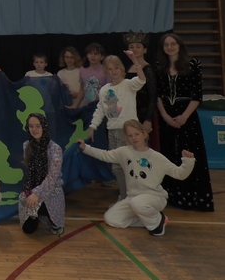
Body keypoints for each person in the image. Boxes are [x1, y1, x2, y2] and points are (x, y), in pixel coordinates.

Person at [78, 119, 195, 235]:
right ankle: (145, 220)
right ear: (126, 138)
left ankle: (157, 223)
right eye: (130, 135)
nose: (134, 138)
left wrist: (188, 162)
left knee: (138, 203)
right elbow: (105, 155)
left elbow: (179, 174)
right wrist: (86, 148)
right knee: (111, 218)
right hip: (132, 198)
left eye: (137, 134)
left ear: (144, 134)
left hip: (154, 197)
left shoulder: (157, 157)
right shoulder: (124, 152)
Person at [155, 33, 215, 212]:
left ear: (180, 45)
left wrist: (184, 116)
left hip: (186, 114)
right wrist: (164, 115)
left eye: (173, 44)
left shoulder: (192, 64)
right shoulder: (160, 66)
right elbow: (157, 95)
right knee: (168, 153)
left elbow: (197, 94)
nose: (170, 47)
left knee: (188, 153)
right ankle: (172, 195)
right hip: (166, 115)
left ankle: (192, 196)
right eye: (166, 44)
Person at [88, 51, 146, 199]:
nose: (113, 71)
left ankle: (129, 196)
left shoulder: (128, 84)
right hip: (112, 130)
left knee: (125, 164)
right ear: (106, 71)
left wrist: (135, 60)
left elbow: (141, 80)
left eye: (116, 68)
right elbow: (101, 109)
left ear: (122, 69)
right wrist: (93, 126)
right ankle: (125, 195)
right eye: (110, 69)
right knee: (116, 165)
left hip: (126, 131)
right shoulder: (104, 89)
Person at [18, 113, 64, 235]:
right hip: (33, 187)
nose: (34, 130)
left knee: (55, 227)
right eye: (31, 126)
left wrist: (37, 194)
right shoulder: (26, 145)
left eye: (38, 126)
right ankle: (34, 215)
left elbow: (52, 177)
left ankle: (49, 217)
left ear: (44, 127)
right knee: (28, 229)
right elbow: (30, 173)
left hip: (51, 190)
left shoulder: (55, 149)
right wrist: (28, 191)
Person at [123, 31, 157, 137]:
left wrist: (148, 119)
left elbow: (153, 96)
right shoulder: (128, 68)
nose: (134, 49)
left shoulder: (148, 69)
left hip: (144, 113)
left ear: (145, 50)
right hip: (131, 111)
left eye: (138, 46)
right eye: (131, 47)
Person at [79, 42, 107, 107]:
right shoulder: (82, 69)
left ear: (102, 57)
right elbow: (82, 90)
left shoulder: (106, 70)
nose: (92, 56)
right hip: (87, 107)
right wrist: (75, 105)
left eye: (96, 54)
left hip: (101, 106)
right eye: (90, 53)